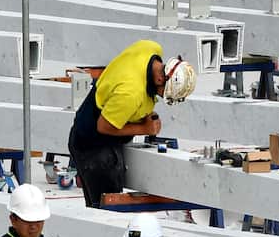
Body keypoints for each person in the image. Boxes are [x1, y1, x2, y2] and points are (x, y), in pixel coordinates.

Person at [68, 41, 197, 208]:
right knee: (105, 211)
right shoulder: (131, 93)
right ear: (160, 78)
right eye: (164, 92)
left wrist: (142, 111)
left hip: (106, 120)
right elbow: (103, 126)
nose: (161, 96)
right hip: (92, 144)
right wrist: (144, 128)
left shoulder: (151, 49)